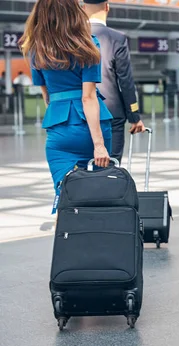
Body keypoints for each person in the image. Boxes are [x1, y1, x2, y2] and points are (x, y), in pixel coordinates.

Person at [19, 0, 112, 211]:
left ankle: (67, 240)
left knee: (66, 197)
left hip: (59, 131)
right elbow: (88, 98)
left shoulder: (36, 49)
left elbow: (48, 97)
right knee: (100, 194)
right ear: (73, 12)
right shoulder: (88, 44)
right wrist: (98, 145)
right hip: (91, 128)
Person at [84, 0, 145, 163]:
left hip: (79, 113)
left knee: (82, 169)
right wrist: (134, 116)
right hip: (111, 113)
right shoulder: (117, 38)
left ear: (83, 8)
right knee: (111, 166)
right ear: (107, 7)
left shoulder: (71, 37)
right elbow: (125, 81)